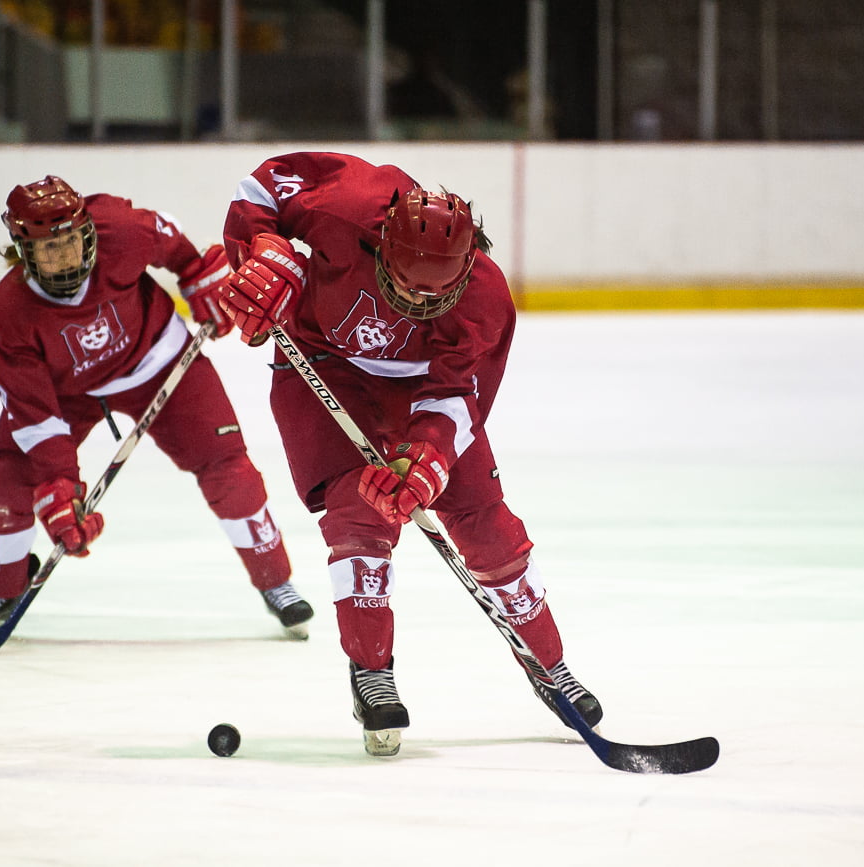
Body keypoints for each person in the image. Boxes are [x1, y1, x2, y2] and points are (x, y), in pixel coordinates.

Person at [214, 152, 601, 755]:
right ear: (378, 249)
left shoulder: (485, 299)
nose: (420, 304)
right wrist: (263, 252)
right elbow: (259, 189)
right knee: (357, 515)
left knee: (489, 529)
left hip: (422, 390)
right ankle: (371, 669)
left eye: (436, 294)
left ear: (467, 265)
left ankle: (549, 665)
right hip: (323, 364)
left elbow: (455, 397)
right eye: (406, 287)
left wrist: (428, 460)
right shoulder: (347, 204)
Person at [0, 175, 313, 640]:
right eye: (48, 249)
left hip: (159, 359)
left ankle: (277, 583)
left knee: (229, 469)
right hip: (67, 394)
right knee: (5, 481)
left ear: (88, 231)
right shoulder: (7, 311)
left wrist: (198, 274)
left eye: (71, 241)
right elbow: (33, 413)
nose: (65, 256)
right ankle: (0, 591)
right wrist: (59, 486)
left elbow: (169, 237)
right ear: (21, 251)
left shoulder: (119, 228)